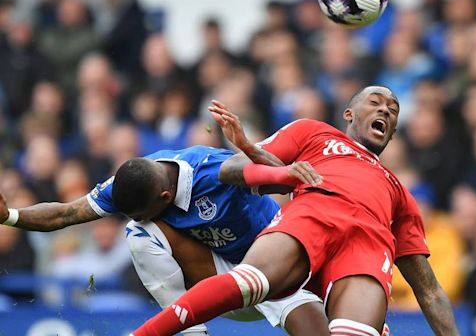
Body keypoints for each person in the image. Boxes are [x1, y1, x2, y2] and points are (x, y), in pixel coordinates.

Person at [130, 86, 459, 336]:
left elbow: (428, 290)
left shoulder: (401, 193)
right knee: (248, 282)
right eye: (375, 103)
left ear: (394, 130)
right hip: (313, 215)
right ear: (349, 113)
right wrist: (249, 149)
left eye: (393, 109)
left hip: (368, 247)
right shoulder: (314, 134)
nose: (385, 110)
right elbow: (231, 171)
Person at [0, 145, 329, 336]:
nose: (139, 216)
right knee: (138, 233)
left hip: (276, 272)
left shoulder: (213, 171)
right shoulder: (130, 184)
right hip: (216, 281)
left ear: (166, 195)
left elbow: (259, 174)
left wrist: (283, 170)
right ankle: (191, 331)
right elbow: (66, 215)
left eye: (144, 211)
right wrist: (9, 216)